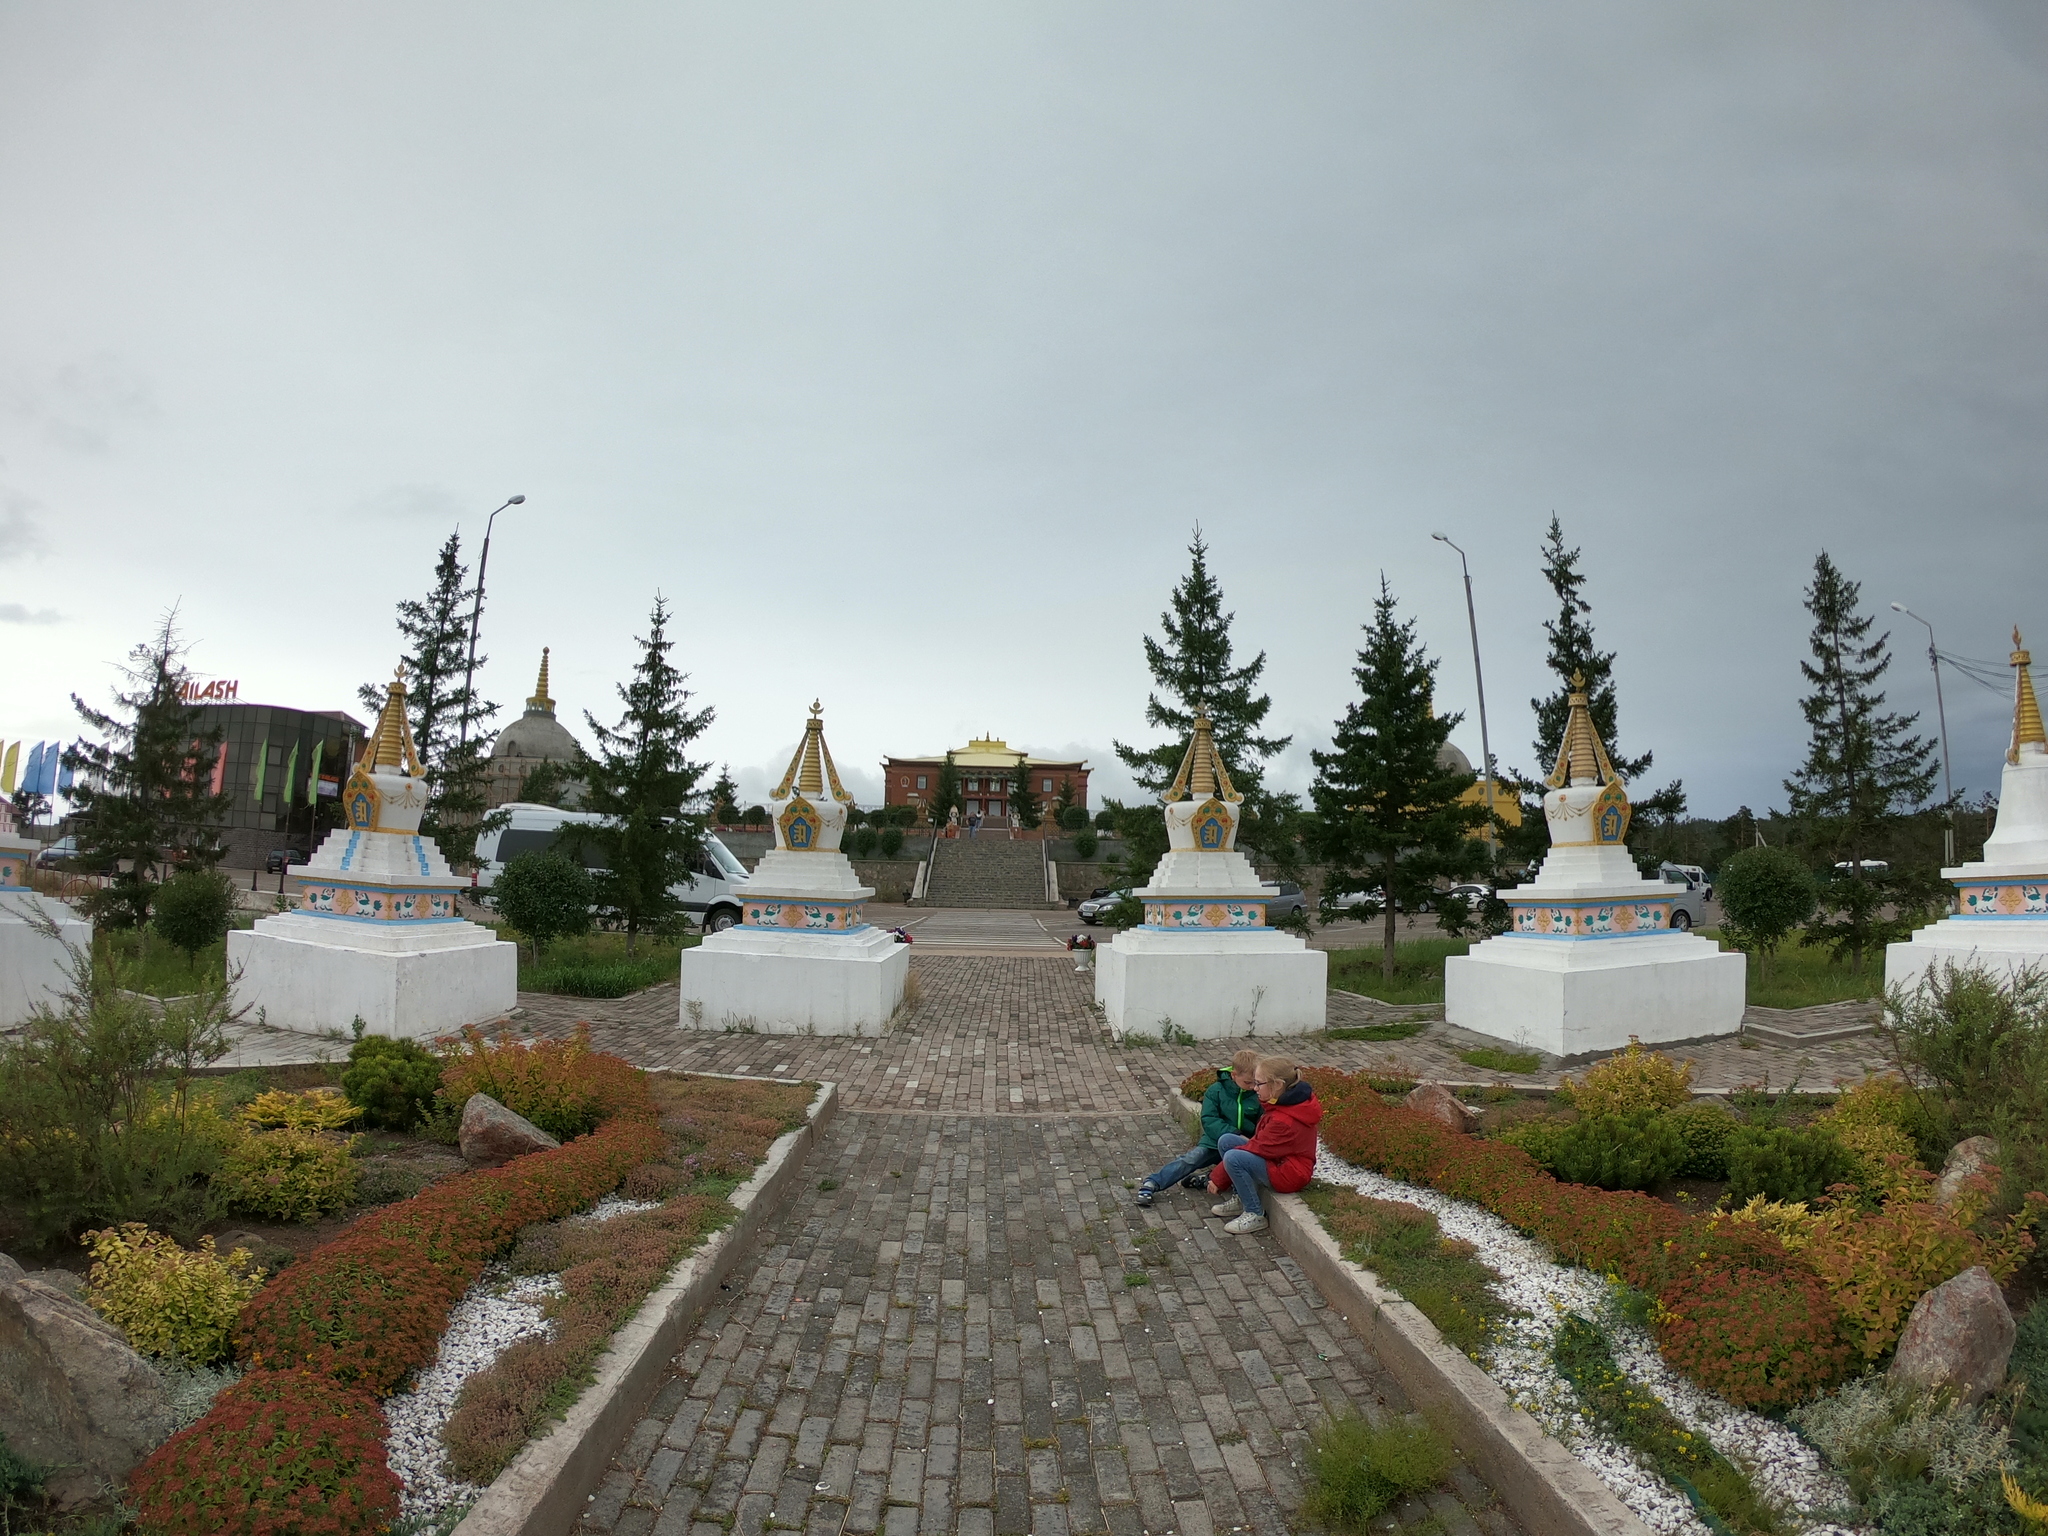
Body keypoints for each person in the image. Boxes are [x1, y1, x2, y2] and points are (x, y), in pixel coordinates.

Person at [1207, 1056, 1322, 1235]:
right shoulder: (1285, 1102)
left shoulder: (1284, 1121)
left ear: (1277, 1085)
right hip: (1278, 1160)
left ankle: (1254, 1213)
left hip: (1289, 1173)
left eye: (1259, 1084)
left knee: (1233, 1157)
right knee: (1227, 1141)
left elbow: (1257, 1147)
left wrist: (1218, 1177)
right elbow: (1260, 1144)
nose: (1254, 1088)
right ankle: (1240, 1198)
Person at [1133, 1050, 1262, 1208]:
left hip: (1247, 1145)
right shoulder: (1216, 1091)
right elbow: (1209, 1119)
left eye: (1255, 1082)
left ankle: (1208, 1179)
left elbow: (1264, 1121)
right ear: (1234, 1075)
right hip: (1214, 1142)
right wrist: (1235, 1134)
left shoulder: (1258, 1094)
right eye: (1248, 1082)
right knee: (1191, 1159)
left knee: (1237, 1166)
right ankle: (1153, 1183)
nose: (1252, 1087)